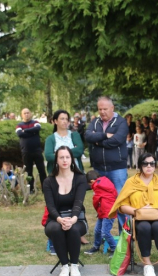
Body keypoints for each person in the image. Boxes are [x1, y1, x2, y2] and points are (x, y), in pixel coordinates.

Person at [108, 153, 158, 276]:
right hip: (139, 218)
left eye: (152, 163)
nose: (149, 166)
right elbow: (122, 205)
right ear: (140, 165)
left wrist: (156, 210)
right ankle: (147, 264)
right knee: (143, 227)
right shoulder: (131, 182)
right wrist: (138, 211)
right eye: (145, 163)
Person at [43, 146, 87, 276]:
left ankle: (74, 265)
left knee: (73, 229)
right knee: (56, 229)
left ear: (72, 159)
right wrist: (59, 220)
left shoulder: (80, 178)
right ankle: (64, 265)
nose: (64, 160)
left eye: (67, 157)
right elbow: (50, 206)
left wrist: (72, 219)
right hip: (55, 220)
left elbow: (78, 203)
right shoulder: (48, 181)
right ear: (56, 160)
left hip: (77, 219)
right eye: (61, 157)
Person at [85, 96, 129, 231]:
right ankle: (103, 234)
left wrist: (97, 141)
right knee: (101, 203)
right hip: (99, 170)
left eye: (105, 109)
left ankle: (125, 235)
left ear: (112, 108)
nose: (102, 112)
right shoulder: (95, 121)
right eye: (100, 109)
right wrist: (105, 135)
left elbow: (117, 140)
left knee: (121, 201)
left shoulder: (121, 122)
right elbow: (87, 136)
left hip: (117, 169)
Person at [84, 170, 118, 255]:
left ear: (92, 181)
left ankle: (114, 248)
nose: (91, 187)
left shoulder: (97, 186)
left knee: (105, 232)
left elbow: (96, 200)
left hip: (107, 212)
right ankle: (96, 246)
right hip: (104, 211)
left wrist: (97, 208)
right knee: (97, 230)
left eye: (90, 185)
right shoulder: (105, 182)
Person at [16, 108, 47, 193]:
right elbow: (19, 133)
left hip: (37, 150)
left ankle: (45, 188)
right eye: (24, 113)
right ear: (22, 115)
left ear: (31, 114)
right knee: (29, 171)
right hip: (26, 152)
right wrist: (32, 132)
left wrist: (25, 130)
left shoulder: (35, 122)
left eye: (28, 113)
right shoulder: (19, 125)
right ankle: (31, 189)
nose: (26, 114)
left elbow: (37, 129)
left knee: (41, 170)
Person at [45, 110, 84, 174]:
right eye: (62, 119)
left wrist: (57, 154)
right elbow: (49, 156)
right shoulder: (50, 139)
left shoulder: (75, 135)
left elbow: (79, 151)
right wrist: (72, 152)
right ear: (55, 121)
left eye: (66, 119)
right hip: (57, 174)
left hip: (75, 173)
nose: (65, 121)